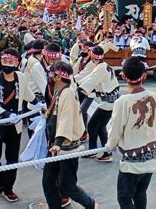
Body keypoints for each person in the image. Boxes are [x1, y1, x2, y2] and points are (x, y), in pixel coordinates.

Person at [106, 56, 156, 209]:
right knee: (140, 194)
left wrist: (109, 146)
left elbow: (115, 131)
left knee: (124, 199)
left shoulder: (122, 102)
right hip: (151, 156)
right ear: (144, 76)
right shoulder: (154, 96)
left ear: (123, 76)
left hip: (132, 162)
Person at [42, 62, 97, 209]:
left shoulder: (67, 93)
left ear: (58, 76)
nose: (49, 76)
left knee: (67, 186)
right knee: (49, 182)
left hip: (65, 147)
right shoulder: (59, 90)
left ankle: (91, 204)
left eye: (51, 73)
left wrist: (58, 143)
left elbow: (66, 120)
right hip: (56, 146)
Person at [0, 48, 36, 202]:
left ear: (16, 63)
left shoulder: (21, 77)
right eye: (5, 61)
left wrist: (37, 103)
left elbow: (27, 94)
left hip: (15, 125)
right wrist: (7, 115)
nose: (8, 64)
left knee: (12, 158)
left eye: (11, 62)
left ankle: (8, 188)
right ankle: (1, 178)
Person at [77, 46, 120, 162]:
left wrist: (75, 89)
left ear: (91, 55)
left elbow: (89, 82)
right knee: (100, 126)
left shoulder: (100, 68)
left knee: (92, 125)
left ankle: (95, 151)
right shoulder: (104, 65)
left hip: (108, 103)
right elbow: (88, 79)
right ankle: (106, 152)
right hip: (111, 101)